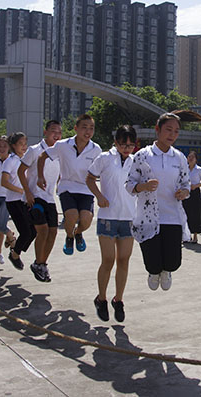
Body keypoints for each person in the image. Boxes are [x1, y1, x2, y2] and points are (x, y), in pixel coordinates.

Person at [126, 112, 190, 292]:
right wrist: (144, 186)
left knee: (173, 262)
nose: (172, 135)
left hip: (172, 216)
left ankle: (167, 271)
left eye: (176, 131)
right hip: (148, 216)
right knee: (153, 262)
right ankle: (154, 272)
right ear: (157, 130)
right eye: (168, 130)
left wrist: (184, 192)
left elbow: (186, 183)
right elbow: (129, 185)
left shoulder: (179, 158)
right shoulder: (142, 155)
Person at [86, 125, 137, 322]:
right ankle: (101, 298)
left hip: (128, 217)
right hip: (108, 215)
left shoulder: (135, 162)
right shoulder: (105, 158)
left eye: (131, 145)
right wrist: (98, 196)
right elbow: (90, 178)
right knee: (108, 259)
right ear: (116, 142)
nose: (127, 148)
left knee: (124, 260)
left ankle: (119, 299)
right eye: (123, 144)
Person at [38, 114, 101, 255]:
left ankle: (78, 233)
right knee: (72, 215)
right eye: (84, 127)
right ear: (76, 128)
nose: (88, 131)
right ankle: (69, 236)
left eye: (91, 128)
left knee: (86, 220)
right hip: (67, 186)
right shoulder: (62, 145)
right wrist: (40, 177)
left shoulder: (96, 149)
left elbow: (102, 169)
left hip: (86, 189)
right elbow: (43, 156)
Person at [18, 120, 62, 282]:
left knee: (53, 232)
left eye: (59, 132)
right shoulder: (35, 150)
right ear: (45, 132)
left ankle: (40, 264)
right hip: (34, 198)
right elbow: (20, 171)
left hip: (49, 199)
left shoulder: (59, 153)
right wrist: (27, 192)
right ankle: (38, 262)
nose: (56, 135)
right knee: (42, 230)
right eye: (53, 131)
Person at [2, 132, 33, 270]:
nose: (24, 147)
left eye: (25, 144)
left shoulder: (26, 160)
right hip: (14, 201)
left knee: (33, 231)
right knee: (26, 232)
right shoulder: (10, 161)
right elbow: (4, 182)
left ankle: (15, 252)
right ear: (13, 146)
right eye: (21, 144)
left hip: (25, 200)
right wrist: (22, 191)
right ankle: (15, 254)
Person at [182, 150, 201, 244]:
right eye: (189, 157)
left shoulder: (199, 169)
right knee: (185, 212)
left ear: (196, 159)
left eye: (192, 157)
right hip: (186, 192)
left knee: (195, 213)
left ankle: (195, 235)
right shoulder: (184, 168)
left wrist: (195, 186)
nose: (190, 159)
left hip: (195, 192)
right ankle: (187, 236)